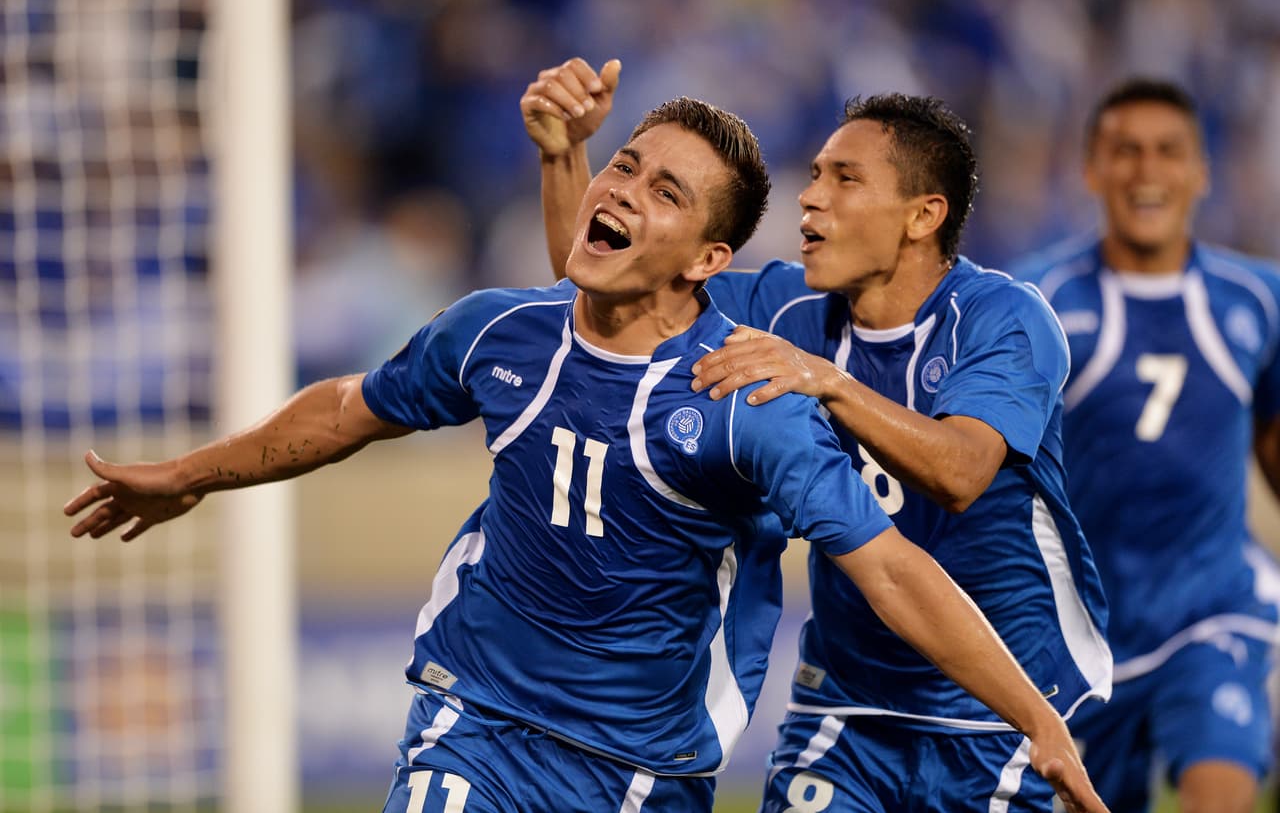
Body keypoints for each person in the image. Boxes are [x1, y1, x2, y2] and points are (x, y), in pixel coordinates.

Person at [64, 97, 1106, 813]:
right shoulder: (508, 331)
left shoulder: (782, 383)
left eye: (841, 177)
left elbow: (915, 530)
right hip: (477, 717)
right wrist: (190, 472)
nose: (811, 197)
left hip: (649, 766)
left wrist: (1034, 719)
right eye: (625, 165)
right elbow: (356, 404)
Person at [525, 58, 1112, 812]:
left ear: (922, 215)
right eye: (814, 176)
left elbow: (962, 470)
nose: (809, 198)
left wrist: (827, 380)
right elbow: (616, 282)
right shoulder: (787, 310)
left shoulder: (1004, 320)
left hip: (1008, 707)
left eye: (844, 179)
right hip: (846, 706)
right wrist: (562, 153)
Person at [1012, 78, 1280, 813]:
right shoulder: (1035, 301)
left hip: (1213, 608)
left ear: (1201, 172)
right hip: (1077, 642)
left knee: (1220, 791)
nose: (1146, 170)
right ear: (1093, 170)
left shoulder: (1258, 299)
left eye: (1168, 152)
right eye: (1125, 151)